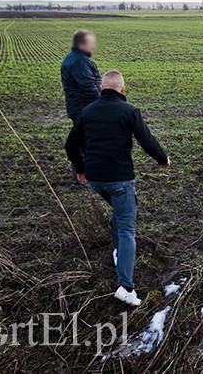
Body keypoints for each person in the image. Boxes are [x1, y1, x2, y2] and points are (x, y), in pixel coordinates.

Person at [65, 70, 170, 307]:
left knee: (123, 213)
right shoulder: (129, 111)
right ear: (122, 89)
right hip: (120, 179)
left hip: (95, 180)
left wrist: (80, 169)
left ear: (102, 89)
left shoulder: (87, 112)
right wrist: (163, 159)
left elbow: (70, 145)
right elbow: (147, 140)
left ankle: (118, 254)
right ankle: (126, 287)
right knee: (126, 228)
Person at [61, 30, 101, 122]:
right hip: (84, 109)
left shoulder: (71, 58)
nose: (93, 47)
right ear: (80, 45)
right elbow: (89, 87)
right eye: (90, 44)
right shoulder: (80, 62)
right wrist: (102, 104)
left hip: (77, 107)